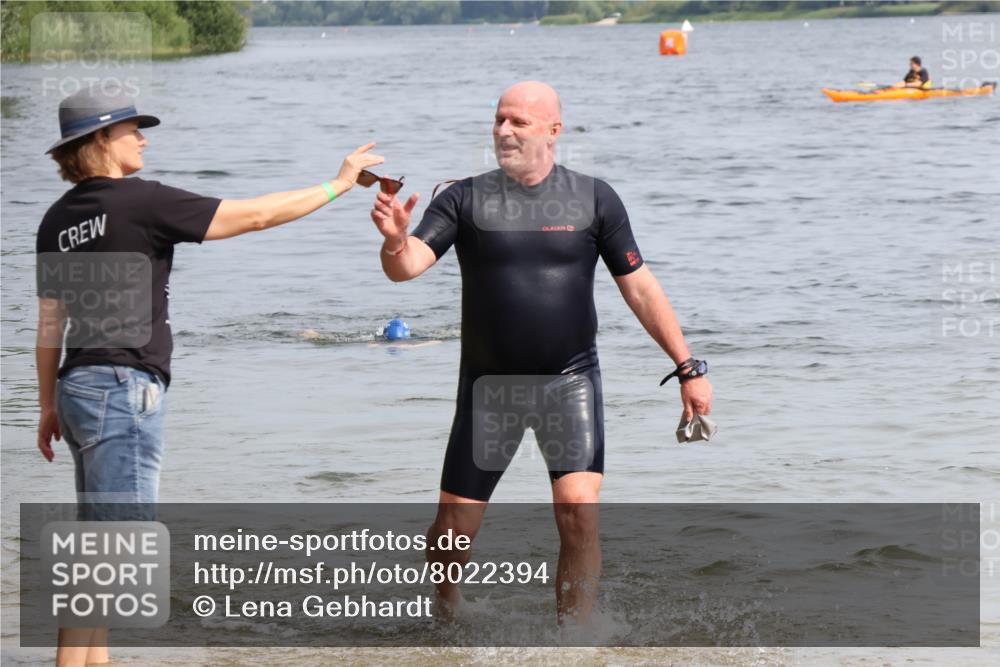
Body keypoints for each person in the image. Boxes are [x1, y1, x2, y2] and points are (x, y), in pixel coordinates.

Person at [35, 88, 383, 667]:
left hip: (78, 388)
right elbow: (257, 215)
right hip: (122, 389)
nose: (143, 138)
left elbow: (51, 324)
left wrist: (48, 404)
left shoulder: (57, 219)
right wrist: (338, 184)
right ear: (100, 141)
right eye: (132, 130)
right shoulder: (138, 202)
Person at [369, 81, 713, 628]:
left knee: (578, 516)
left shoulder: (595, 199)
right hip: (490, 389)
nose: (504, 131)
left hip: (569, 381)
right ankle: (446, 613)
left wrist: (687, 367)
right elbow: (406, 266)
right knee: (453, 530)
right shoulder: (463, 198)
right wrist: (393, 239)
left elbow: (641, 288)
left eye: (519, 122)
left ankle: (573, 638)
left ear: (554, 130)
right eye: (499, 120)